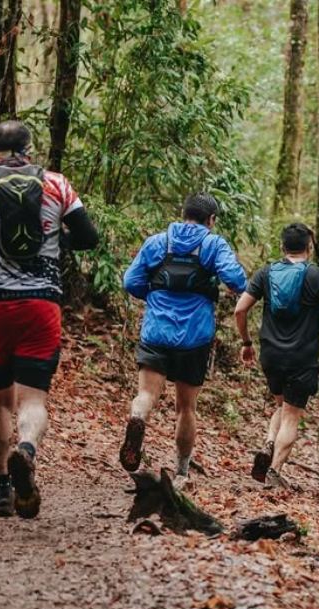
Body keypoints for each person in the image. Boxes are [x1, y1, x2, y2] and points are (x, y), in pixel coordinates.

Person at [0, 120, 100, 518]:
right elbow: (89, 237)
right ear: (30, 148)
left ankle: (1, 490)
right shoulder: (57, 185)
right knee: (33, 398)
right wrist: (57, 239)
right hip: (40, 305)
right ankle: (26, 450)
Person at [118, 193, 248, 488]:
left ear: (183, 212)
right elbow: (237, 281)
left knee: (146, 395)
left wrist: (153, 296)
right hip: (195, 336)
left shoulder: (158, 242)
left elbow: (130, 281)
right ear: (211, 220)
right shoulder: (214, 244)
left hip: (156, 332)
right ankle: (181, 473)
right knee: (186, 408)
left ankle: (138, 417)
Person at [233, 223, 319, 489]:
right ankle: (274, 470)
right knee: (292, 415)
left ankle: (269, 442)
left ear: (282, 247)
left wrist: (247, 342)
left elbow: (240, 310)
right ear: (308, 247)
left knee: (282, 407)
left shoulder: (266, 273)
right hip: (302, 358)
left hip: (271, 355)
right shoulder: (317, 276)